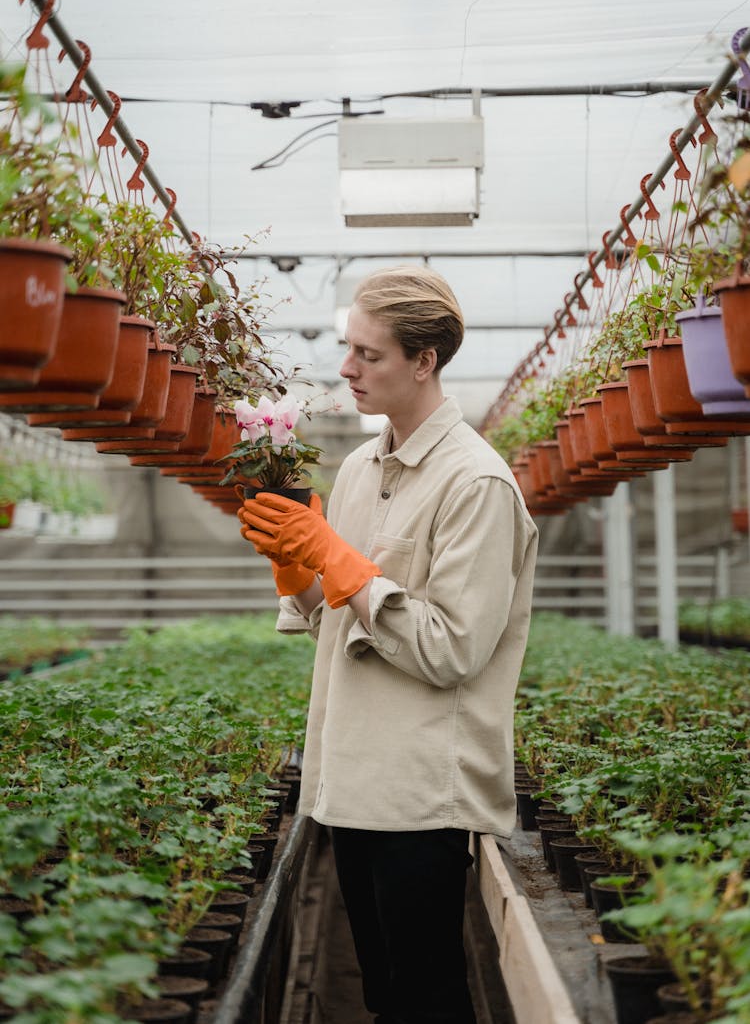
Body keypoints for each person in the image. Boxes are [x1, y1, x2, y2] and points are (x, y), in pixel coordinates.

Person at [238, 265, 538, 1024]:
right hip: (353, 787)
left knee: (426, 999)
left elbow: (452, 649)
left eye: (368, 354)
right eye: (349, 350)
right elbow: (332, 621)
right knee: (383, 994)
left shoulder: (476, 483)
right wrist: (296, 568)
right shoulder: (358, 470)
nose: (347, 369)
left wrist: (339, 562)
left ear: (424, 359)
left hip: (420, 796)